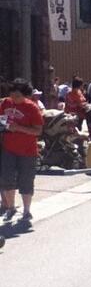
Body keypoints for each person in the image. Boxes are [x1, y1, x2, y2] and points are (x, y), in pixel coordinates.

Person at [0, 78, 43, 223]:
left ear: (25, 95)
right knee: (6, 179)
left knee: (26, 180)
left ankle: (26, 210)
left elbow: (37, 131)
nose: (14, 99)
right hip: (8, 148)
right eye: (12, 95)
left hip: (28, 151)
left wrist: (18, 128)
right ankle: (10, 208)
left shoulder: (32, 108)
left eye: (17, 96)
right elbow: (2, 121)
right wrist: (5, 126)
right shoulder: (6, 103)